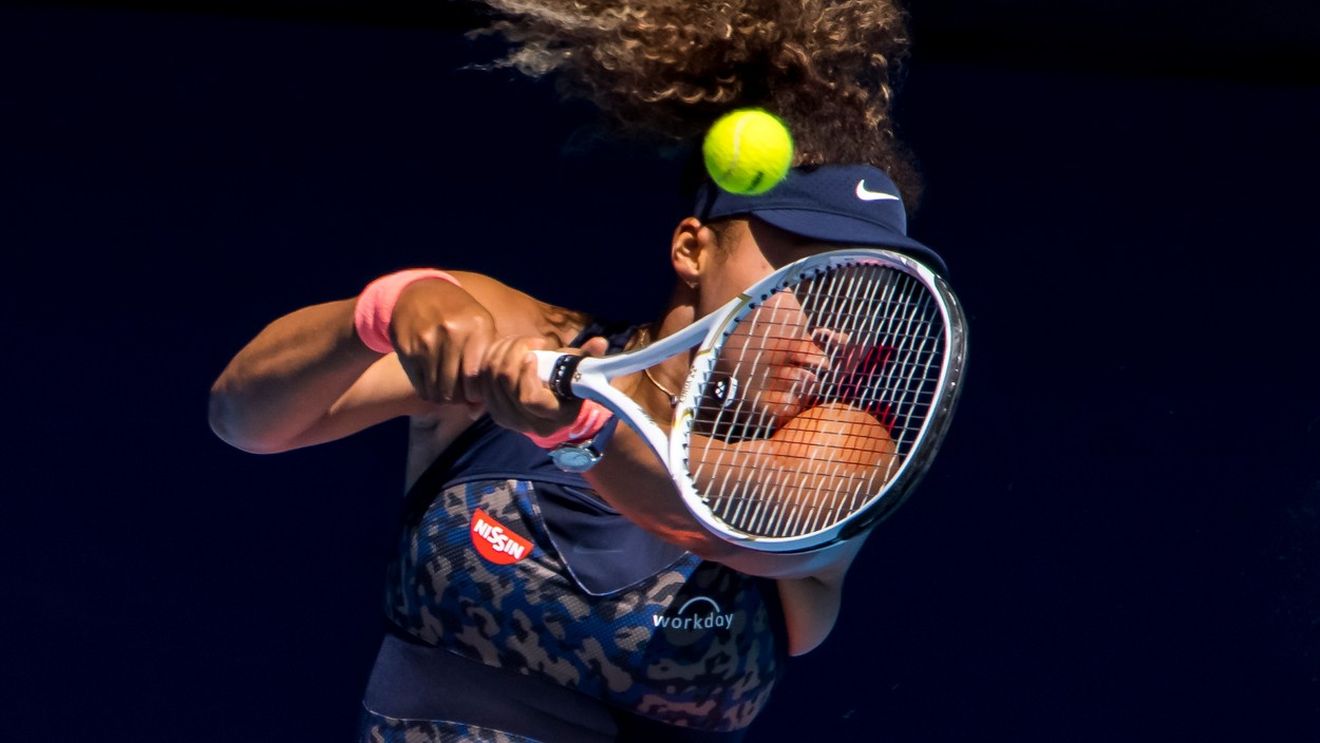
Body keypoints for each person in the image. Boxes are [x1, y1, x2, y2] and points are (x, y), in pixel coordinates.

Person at [208, 1, 947, 740]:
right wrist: (383, 310)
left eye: (861, 294)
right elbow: (244, 420)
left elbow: (719, 517)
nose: (835, 326)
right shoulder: (526, 338)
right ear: (692, 250)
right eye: (807, 278)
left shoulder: (846, 450)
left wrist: (584, 429)